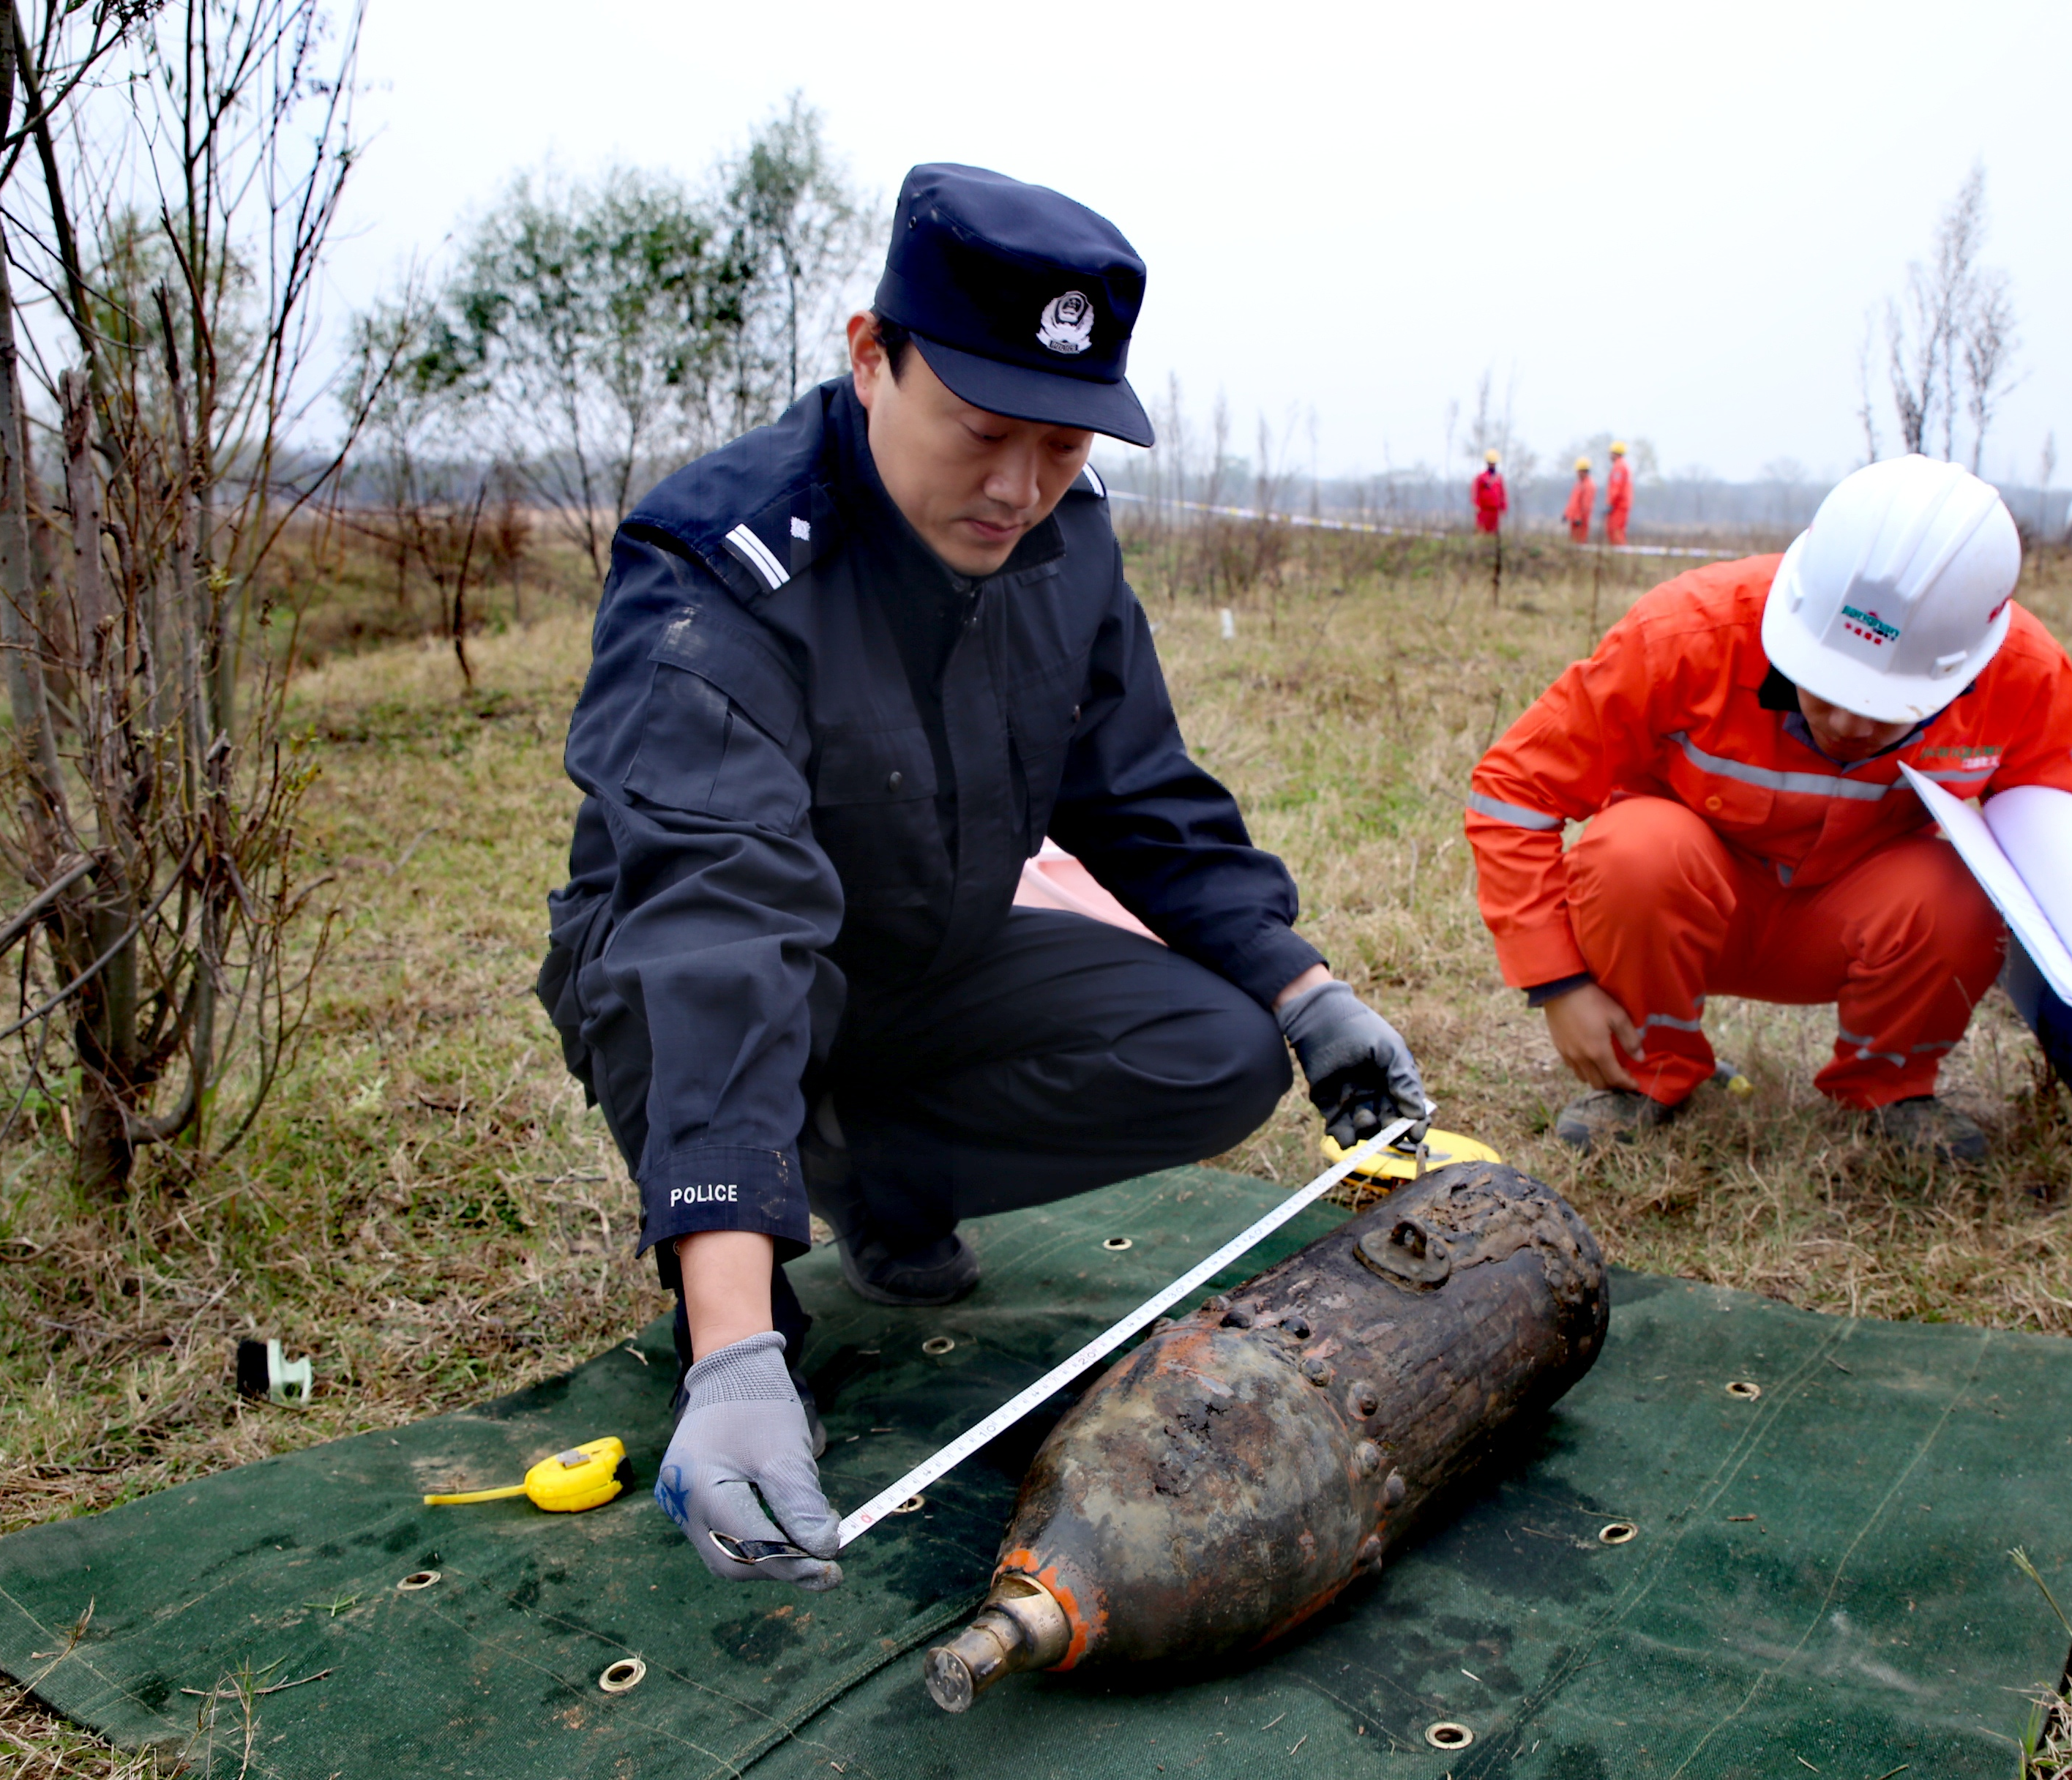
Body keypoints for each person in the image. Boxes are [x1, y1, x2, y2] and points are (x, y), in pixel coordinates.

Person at [538, 164, 1429, 1593]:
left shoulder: (1061, 548)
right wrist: (734, 1352)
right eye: (986, 431)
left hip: (926, 949)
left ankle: (867, 1169)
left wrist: (1307, 991)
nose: (1021, 489)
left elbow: (1139, 796)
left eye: (1068, 446)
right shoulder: (724, 563)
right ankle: (747, 1290)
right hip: (703, 979)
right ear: (871, 355)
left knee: (1214, 1048)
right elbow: (717, 921)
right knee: (743, 1271)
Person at [1463, 455, 2072, 1166]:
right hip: (1690, 907)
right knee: (1633, 847)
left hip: (1861, 922)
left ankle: (1888, 1088)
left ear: (1963, 670)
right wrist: (1558, 985)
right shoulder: (1687, 632)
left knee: (1961, 886)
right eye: (1823, 686)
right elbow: (1513, 788)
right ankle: (1648, 1071)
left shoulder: (2025, 674)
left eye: (1885, 708)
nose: (1846, 723)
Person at [1602, 440, 1633, 545]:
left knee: (1616, 532)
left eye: (1611, 453)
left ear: (1616, 453)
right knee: (1613, 532)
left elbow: (1616, 487)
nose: (1609, 455)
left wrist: (1610, 503)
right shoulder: (1621, 465)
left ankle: (1622, 557)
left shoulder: (1619, 467)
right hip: (1619, 505)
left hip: (1618, 506)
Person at [1471, 448, 1508, 535]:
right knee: (1482, 531)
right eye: (1491, 463)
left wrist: (1504, 507)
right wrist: (1477, 505)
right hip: (1484, 510)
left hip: (1495, 511)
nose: (1492, 465)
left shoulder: (1499, 478)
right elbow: (1475, 492)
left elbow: (1503, 494)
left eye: (1494, 463)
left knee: (1494, 533)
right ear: (1487, 463)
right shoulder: (1481, 477)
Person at [1563, 457, 1594, 543]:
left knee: (1580, 540)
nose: (1577, 473)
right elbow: (1573, 501)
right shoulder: (1578, 484)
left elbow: (1586, 505)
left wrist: (1579, 518)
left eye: (1578, 471)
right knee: (1573, 540)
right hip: (1574, 519)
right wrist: (1567, 514)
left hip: (1581, 520)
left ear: (1584, 471)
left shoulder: (1589, 485)